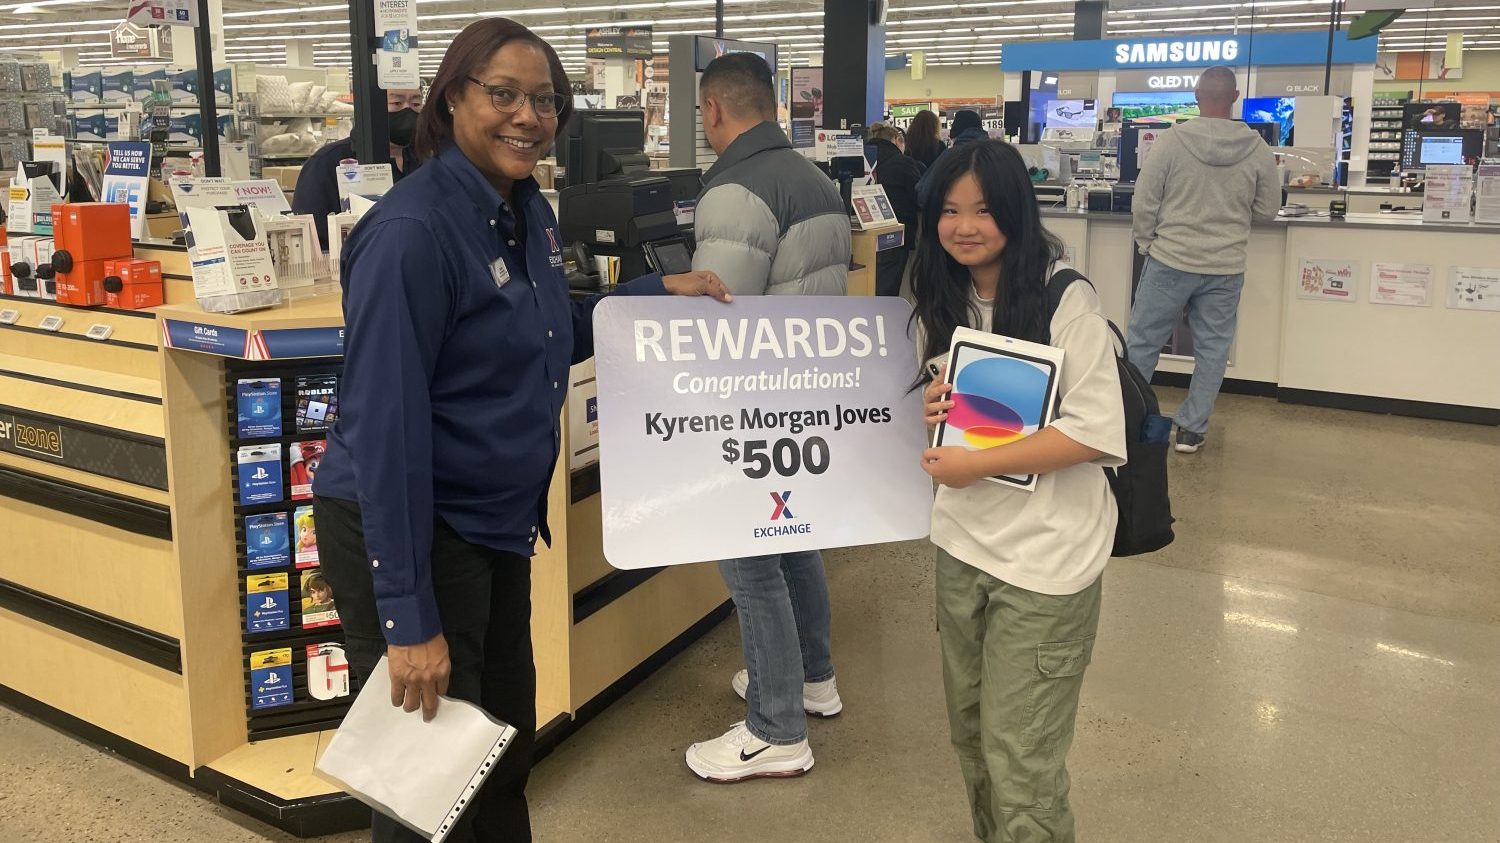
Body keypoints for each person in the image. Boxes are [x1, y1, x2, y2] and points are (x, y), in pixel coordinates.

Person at [311, 18, 729, 842]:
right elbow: (387, 434)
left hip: (489, 524)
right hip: (411, 524)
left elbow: (548, 329)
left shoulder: (525, 211)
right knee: (425, 784)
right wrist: (409, 619)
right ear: (452, 99)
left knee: (499, 747)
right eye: (503, 94)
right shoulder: (411, 235)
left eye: (544, 101)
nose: (527, 117)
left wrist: (653, 292)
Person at [913, 139, 1126, 843]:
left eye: (981, 209)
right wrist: (939, 409)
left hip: (1045, 561)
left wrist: (975, 463)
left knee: (1023, 765)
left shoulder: (1067, 299)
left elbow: (1096, 430)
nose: (963, 225)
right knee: (974, 743)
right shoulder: (947, 293)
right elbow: (960, 413)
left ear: (1015, 211)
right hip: (964, 546)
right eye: (948, 209)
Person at [683, 50, 850, 784]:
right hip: (806, 394)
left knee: (750, 559)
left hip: (749, 404)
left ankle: (776, 727)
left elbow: (722, 320)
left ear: (714, 110)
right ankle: (812, 677)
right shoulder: (816, 179)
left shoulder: (735, 192)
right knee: (794, 535)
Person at [1126, 66, 1279, 454]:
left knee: (1144, 343)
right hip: (1225, 265)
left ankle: (1126, 421)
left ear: (1197, 95)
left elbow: (1144, 200)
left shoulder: (1171, 141)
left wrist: (1148, 243)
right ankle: (1192, 430)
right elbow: (1268, 209)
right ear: (1235, 96)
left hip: (1170, 258)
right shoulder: (1257, 147)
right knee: (1212, 349)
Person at [292, 88, 423, 249]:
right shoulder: (327, 162)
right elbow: (311, 238)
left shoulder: (428, 158)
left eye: (416, 103)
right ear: (369, 106)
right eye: (396, 103)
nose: (408, 111)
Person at [865, 121, 924, 297]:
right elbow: (918, 195)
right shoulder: (903, 163)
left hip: (862, 231)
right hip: (896, 234)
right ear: (897, 140)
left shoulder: (863, 159)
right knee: (888, 288)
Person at [916, 109, 990, 207]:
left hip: (957, 217)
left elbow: (923, 194)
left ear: (956, 129)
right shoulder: (1001, 155)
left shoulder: (950, 156)